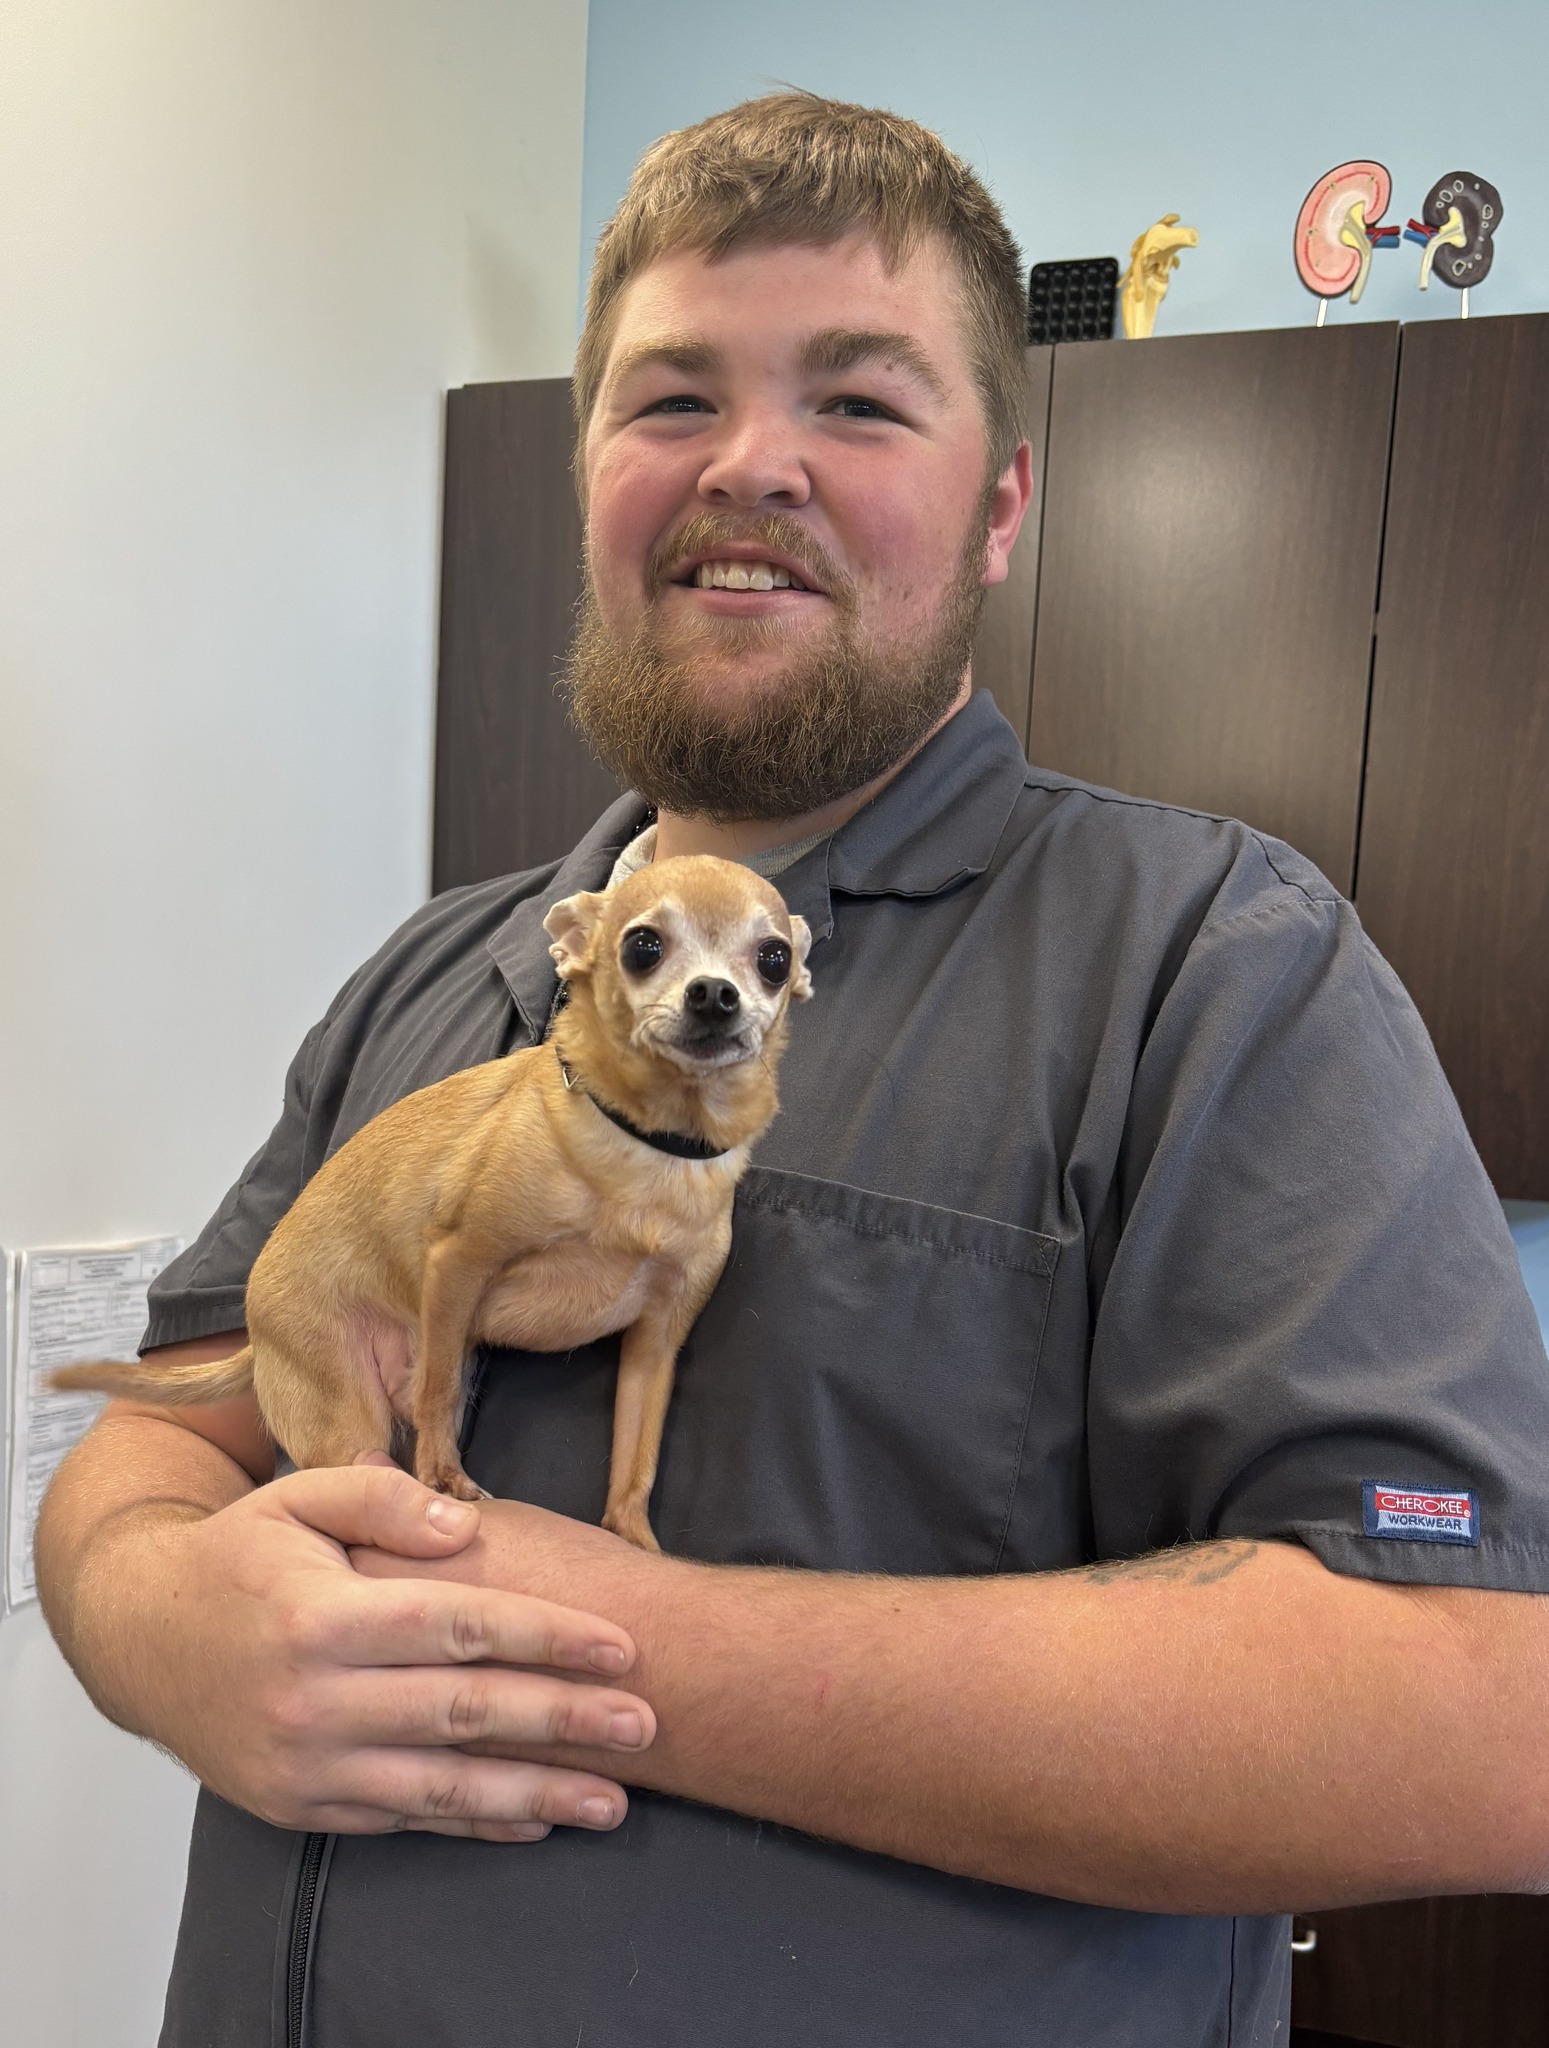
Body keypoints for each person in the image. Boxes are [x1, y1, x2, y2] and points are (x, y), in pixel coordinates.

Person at [37, 93, 1549, 2048]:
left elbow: (1473, 1713)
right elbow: (164, 1425)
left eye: (856, 401)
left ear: (1003, 497)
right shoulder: (436, 971)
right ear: (586, 469)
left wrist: (578, 1626)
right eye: (669, 401)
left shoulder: (1213, 972)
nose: (751, 465)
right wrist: (163, 1625)